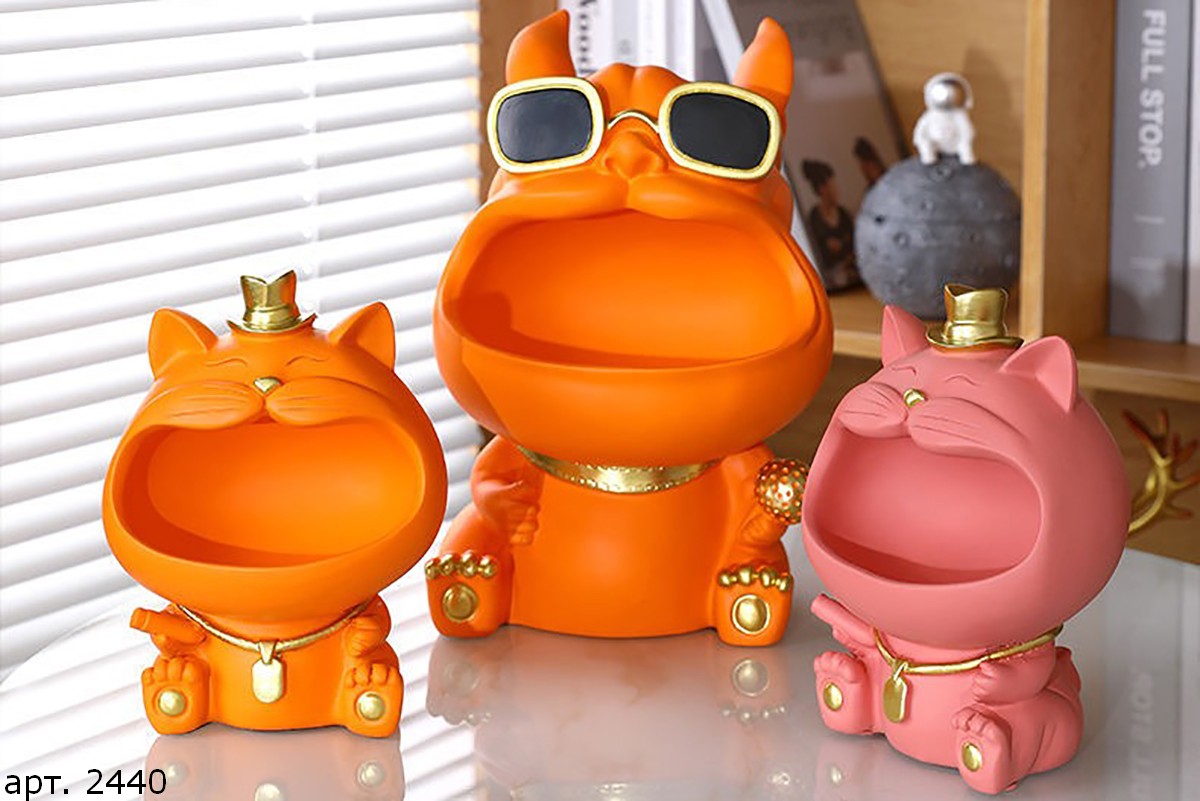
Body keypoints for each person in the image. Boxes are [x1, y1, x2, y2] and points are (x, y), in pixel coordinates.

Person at [802, 159, 858, 289]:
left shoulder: (844, 214)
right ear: (822, 189)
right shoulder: (814, 220)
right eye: (833, 186)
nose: (837, 190)